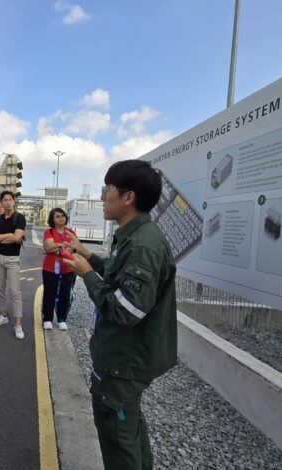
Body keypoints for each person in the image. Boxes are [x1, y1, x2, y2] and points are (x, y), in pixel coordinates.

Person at [63, 160, 177, 470]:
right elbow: (117, 275)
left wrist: (86, 274)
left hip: (123, 363)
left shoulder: (143, 245)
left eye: (107, 190)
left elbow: (125, 310)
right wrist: (87, 256)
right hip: (124, 359)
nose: (102, 197)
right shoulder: (134, 236)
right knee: (130, 429)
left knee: (117, 439)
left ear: (128, 197)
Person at [0, 191, 26, 340]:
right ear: (2, 202)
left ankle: (18, 324)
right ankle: (3, 315)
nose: (8, 202)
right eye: (6, 200)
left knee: (15, 292)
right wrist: (8, 236)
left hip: (12, 259)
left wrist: (2, 238)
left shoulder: (19, 218)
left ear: (14, 202)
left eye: (11, 200)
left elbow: (17, 237)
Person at [41, 208, 78, 331]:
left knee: (65, 294)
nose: (61, 218)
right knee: (49, 293)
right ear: (52, 219)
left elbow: (73, 248)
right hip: (50, 268)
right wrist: (63, 245)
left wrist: (57, 247)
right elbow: (48, 247)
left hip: (67, 268)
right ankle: (47, 319)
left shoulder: (71, 232)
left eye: (63, 216)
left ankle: (62, 319)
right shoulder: (49, 232)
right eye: (57, 216)